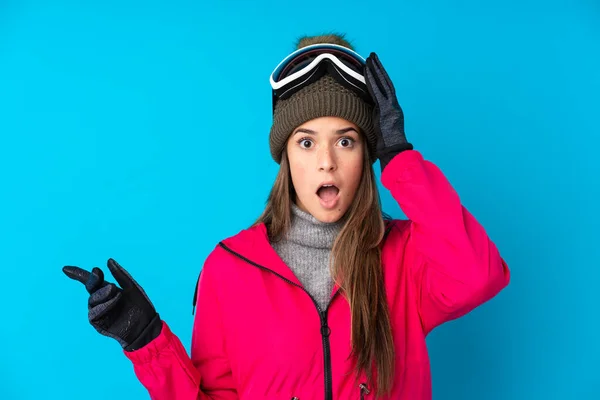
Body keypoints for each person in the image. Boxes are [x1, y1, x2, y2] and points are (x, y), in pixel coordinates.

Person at [63, 34, 510, 399]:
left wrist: (400, 160)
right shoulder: (228, 268)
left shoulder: (408, 256)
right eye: (307, 142)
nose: (326, 163)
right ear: (286, 157)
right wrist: (147, 343)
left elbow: (479, 276)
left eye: (347, 141)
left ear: (366, 154)